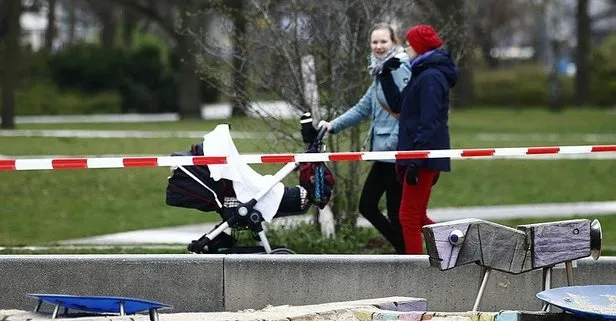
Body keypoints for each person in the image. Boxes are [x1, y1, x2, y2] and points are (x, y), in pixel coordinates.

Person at [319, 22, 412, 254]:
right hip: (384, 153)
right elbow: (363, 108)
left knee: (380, 209)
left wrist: (394, 145)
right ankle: (405, 252)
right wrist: (332, 126)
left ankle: (408, 255)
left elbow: (407, 110)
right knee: (375, 208)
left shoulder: (398, 67)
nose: (379, 46)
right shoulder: (380, 71)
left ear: (394, 43)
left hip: (394, 152)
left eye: (383, 41)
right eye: (375, 42)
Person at [377, 24, 458, 254]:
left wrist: (416, 160)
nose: (406, 48)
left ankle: (416, 272)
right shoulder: (421, 72)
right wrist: (385, 74)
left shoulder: (431, 76)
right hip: (416, 155)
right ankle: (461, 244)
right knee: (418, 216)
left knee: (408, 217)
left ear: (420, 46)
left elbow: (429, 122)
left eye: (410, 44)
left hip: (422, 157)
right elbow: (399, 106)